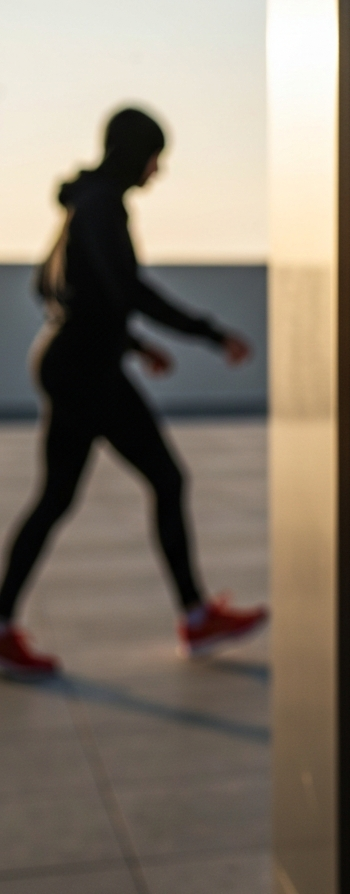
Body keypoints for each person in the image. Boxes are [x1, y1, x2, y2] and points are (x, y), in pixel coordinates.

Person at [0, 107, 268, 678]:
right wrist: (211, 333)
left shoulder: (83, 204)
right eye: (153, 156)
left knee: (56, 499)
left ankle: (1, 626)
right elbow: (128, 288)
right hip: (85, 369)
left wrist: (129, 345)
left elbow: (57, 287)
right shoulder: (100, 206)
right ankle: (196, 618)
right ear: (129, 153)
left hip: (71, 359)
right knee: (166, 479)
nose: (157, 170)